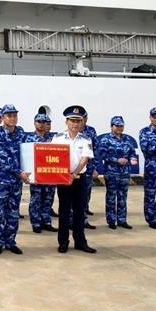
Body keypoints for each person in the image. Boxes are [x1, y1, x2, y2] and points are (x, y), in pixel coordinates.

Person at [51, 105, 97, 254]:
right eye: (72, 121)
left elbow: (84, 159)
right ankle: (63, 242)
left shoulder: (85, 139)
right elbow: (52, 157)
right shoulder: (57, 138)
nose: (75, 124)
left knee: (79, 211)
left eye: (78, 121)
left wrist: (74, 174)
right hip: (63, 179)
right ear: (66, 122)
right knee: (63, 212)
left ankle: (80, 242)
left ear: (82, 123)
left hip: (79, 179)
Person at [0, 104, 28, 254]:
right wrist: (20, 173)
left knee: (13, 212)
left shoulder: (21, 133)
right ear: (3, 117)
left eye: (14, 115)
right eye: (9, 115)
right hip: (0, 181)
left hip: (16, 182)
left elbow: (28, 153)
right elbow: (3, 158)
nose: (12, 118)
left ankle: (10, 241)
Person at [97, 116, 138, 230]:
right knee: (111, 196)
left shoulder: (127, 139)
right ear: (111, 126)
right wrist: (116, 160)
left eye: (121, 126)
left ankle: (122, 220)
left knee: (122, 197)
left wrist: (132, 159)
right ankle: (111, 220)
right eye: (117, 126)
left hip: (125, 173)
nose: (119, 128)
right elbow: (102, 154)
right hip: (112, 172)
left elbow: (132, 152)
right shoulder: (106, 139)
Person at [25, 114, 58, 234]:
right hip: (36, 175)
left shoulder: (54, 138)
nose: (42, 124)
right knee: (36, 199)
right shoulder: (29, 138)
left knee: (48, 199)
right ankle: (36, 222)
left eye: (44, 122)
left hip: (50, 174)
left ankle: (46, 221)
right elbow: (27, 156)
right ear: (34, 123)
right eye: (39, 122)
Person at [81, 116, 99, 228]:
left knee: (86, 194)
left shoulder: (91, 131)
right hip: (74, 170)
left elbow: (95, 149)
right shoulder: (65, 135)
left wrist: (95, 167)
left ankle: (83, 220)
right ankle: (71, 220)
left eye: (84, 118)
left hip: (88, 168)